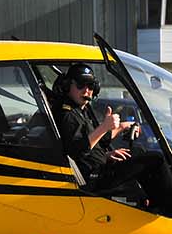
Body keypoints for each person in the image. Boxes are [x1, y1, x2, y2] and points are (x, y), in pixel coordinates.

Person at [51, 63, 137, 195]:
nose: (86, 91)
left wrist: (121, 128)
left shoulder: (81, 110)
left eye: (90, 86)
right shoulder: (66, 114)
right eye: (81, 85)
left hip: (99, 168)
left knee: (137, 153)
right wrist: (104, 127)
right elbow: (77, 151)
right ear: (68, 85)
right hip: (93, 178)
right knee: (155, 160)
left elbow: (97, 141)